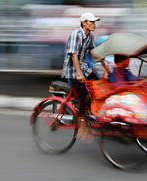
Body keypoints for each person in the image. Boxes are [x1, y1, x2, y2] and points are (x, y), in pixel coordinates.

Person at [62, 12, 101, 142]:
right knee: (83, 94)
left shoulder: (90, 36)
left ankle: (90, 109)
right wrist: (79, 74)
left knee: (98, 83)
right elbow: (73, 55)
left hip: (83, 67)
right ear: (84, 23)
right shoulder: (75, 35)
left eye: (94, 22)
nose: (94, 24)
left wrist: (105, 60)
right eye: (91, 22)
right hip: (73, 69)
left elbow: (94, 52)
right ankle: (82, 121)